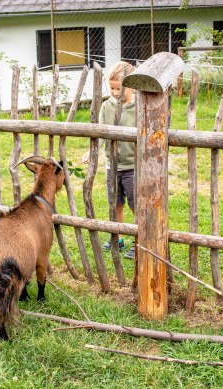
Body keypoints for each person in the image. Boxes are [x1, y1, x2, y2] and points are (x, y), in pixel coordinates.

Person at [81, 61, 137, 259]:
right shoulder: (106, 107)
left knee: (135, 206)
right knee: (115, 204)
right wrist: (91, 152)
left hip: (132, 167)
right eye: (112, 88)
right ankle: (118, 238)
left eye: (118, 89)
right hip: (112, 166)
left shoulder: (139, 107)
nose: (114, 92)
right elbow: (101, 133)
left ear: (131, 86)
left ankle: (138, 240)